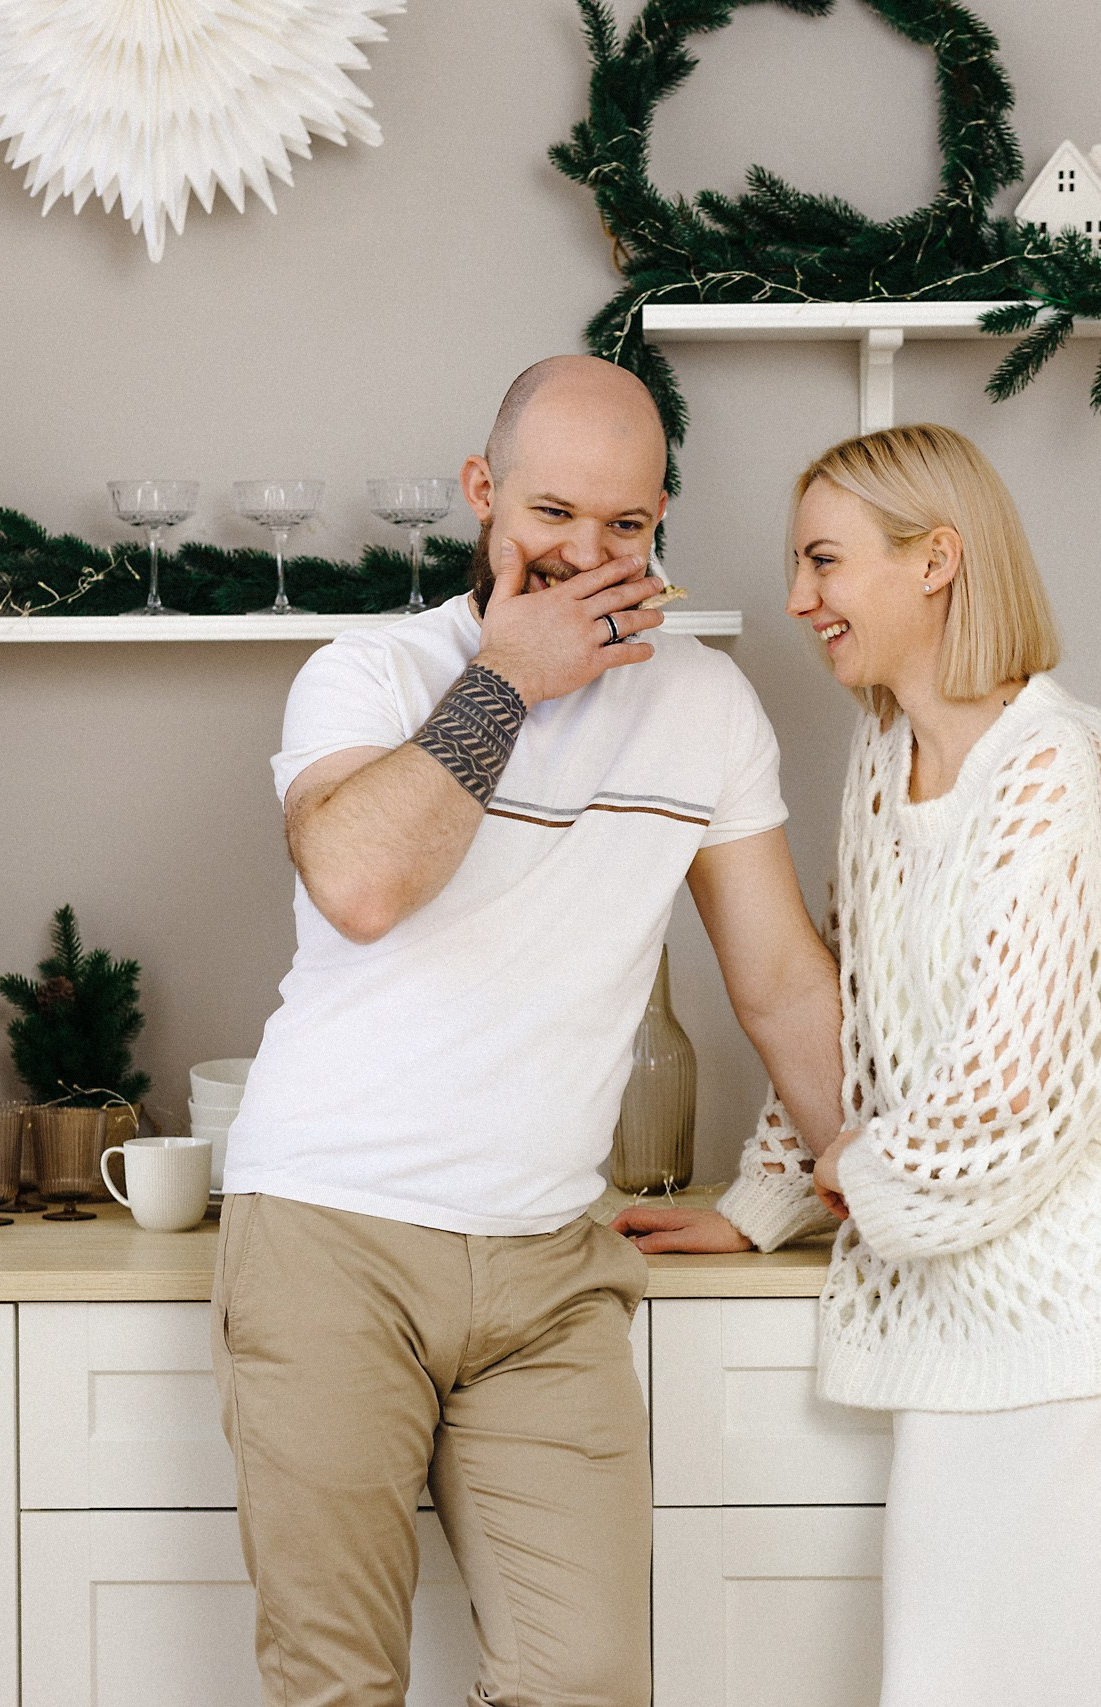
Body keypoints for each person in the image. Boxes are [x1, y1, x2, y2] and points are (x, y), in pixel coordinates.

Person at [612, 423, 1101, 1707]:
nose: (798, 598)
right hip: (983, 1321)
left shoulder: (1061, 766)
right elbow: (868, 1026)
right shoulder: (886, 765)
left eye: (824, 561)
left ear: (936, 561)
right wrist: (762, 1204)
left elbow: (1015, 1090)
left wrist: (845, 1183)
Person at [211, 355, 845, 1707]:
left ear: (661, 518)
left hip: (552, 1263)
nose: (590, 555)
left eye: (628, 525)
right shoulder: (368, 672)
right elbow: (362, 883)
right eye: (555, 513)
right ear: (484, 494)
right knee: (336, 1684)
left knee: (591, 1680)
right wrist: (510, 677)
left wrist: (859, 1169)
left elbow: (782, 977)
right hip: (333, 1230)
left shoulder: (705, 706)